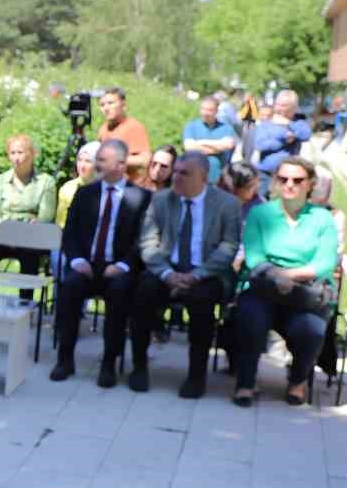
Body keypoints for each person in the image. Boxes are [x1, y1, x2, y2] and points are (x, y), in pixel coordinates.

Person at [129, 152, 242, 398]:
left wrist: (197, 275)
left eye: (184, 173)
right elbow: (147, 243)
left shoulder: (227, 204)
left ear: (202, 177)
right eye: (176, 171)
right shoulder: (160, 200)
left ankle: (196, 376)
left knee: (203, 305)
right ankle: (138, 367)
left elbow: (229, 247)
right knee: (143, 293)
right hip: (166, 269)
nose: (176, 177)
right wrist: (167, 274)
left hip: (206, 273)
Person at [232, 155, 339, 407]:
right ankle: (245, 382)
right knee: (250, 317)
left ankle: (298, 379)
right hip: (264, 286)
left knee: (311, 330)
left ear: (310, 183)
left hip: (305, 292)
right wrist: (276, 276)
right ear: (276, 182)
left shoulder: (322, 218)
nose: (289, 184)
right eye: (283, 179)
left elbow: (325, 262)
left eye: (297, 180)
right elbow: (255, 257)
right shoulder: (261, 214)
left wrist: (288, 276)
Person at [52, 139, 152, 386]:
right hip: (85, 264)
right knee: (70, 287)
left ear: (120, 165)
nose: (96, 164)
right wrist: (75, 259)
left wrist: (124, 265)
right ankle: (65, 358)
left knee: (120, 293)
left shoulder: (140, 197)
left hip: (119, 266)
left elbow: (143, 240)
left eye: (102, 160)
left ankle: (109, 362)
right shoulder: (85, 194)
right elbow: (70, 233)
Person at [0, 134, 56, 305]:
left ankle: (25, 302)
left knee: (30, 252)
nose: (16, 157)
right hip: (3, 231)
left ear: (32, 154)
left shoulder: (46, 182)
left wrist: (23, 232)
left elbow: (45, 216)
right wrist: (7, 232)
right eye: (12, 153)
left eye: (20, 152)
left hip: (30, 234)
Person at [252, 89, 312, 199]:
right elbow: (260, 144)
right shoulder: (266, 124)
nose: (278, 108)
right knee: (261, 204)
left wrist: (288, 123)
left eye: (283, 105)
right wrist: (283, 139)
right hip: (266, 174)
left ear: (293, 107)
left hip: (288, 177)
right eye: (277, 104)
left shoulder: (298, 123)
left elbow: (306, 135)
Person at [96, 87, 152, 187]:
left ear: (124, 105)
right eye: (102, 105)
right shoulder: (103, 130)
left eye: (111, 103)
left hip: (130, 189)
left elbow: (145, 160)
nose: (106, 108)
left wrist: (114, 161)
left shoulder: (133, 127)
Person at [183, 96, 239, 184]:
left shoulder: (226, 128)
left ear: (216, 111)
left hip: (217, 178)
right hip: (194, 177)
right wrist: (217, 146)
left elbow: (227, 145)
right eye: (203, 109)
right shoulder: (192, 126)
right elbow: (189, 148)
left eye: (209, 110)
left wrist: (200, 143)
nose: (205, 113)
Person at [57, 141, 100, 229]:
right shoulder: (67, 188)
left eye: (88, 161)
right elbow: (60, 224)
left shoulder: (107, 188)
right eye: (79, 160)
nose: (82, 166)